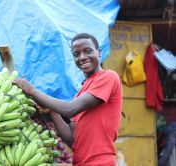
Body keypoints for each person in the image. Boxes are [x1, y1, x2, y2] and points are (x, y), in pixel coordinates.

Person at [13, 33, 123, 166]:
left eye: (87, 51)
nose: (82, 57)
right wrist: (51, 112)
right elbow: (72, 139)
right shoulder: (81, 93)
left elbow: (70, 109)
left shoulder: (108, 77)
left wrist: (32, 91)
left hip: (100, 162)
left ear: (98, 52)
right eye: (77, 54)